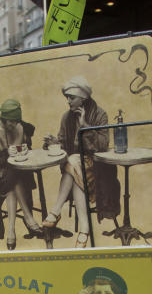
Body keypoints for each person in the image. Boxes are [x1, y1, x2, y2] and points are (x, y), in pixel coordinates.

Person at [42, 76, 120, 248]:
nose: (68, 101)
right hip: (77, 167)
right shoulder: (66, 117)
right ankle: (84, 229)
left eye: (71, 97)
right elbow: (63, 142)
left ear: (83, 98)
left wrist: (85, 125)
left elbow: (102, 146)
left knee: (73, 163)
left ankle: (56, 211)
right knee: (74, 165)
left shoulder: (100, 114)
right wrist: (53, 142)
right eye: (67, 97)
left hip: (98, 167)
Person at [0, 99, 42, 249]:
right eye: (10, 122)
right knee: (13, 181)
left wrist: (24, 149)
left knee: (13, 181)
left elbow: (27, 149)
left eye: (16, 122)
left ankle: (11, 231)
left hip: (17, 173)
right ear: (3, 119)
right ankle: (28, 217)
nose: (13, 126)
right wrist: (6, 153)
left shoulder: (20, 127)